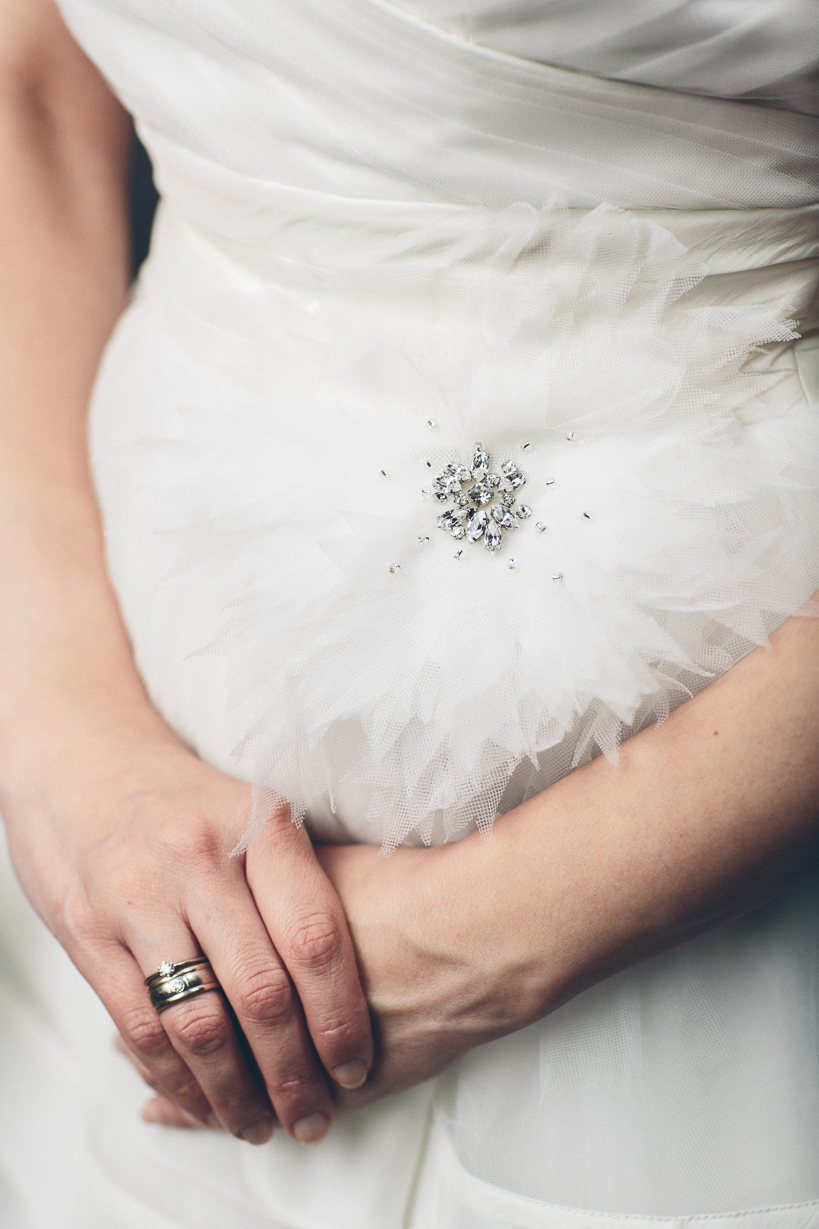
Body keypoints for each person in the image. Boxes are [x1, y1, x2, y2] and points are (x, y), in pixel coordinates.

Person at [0, 0, 818, 1225]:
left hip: (725, 952)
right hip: (150, 866)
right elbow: (32, 90)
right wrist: (62, 734)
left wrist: (490, 937)